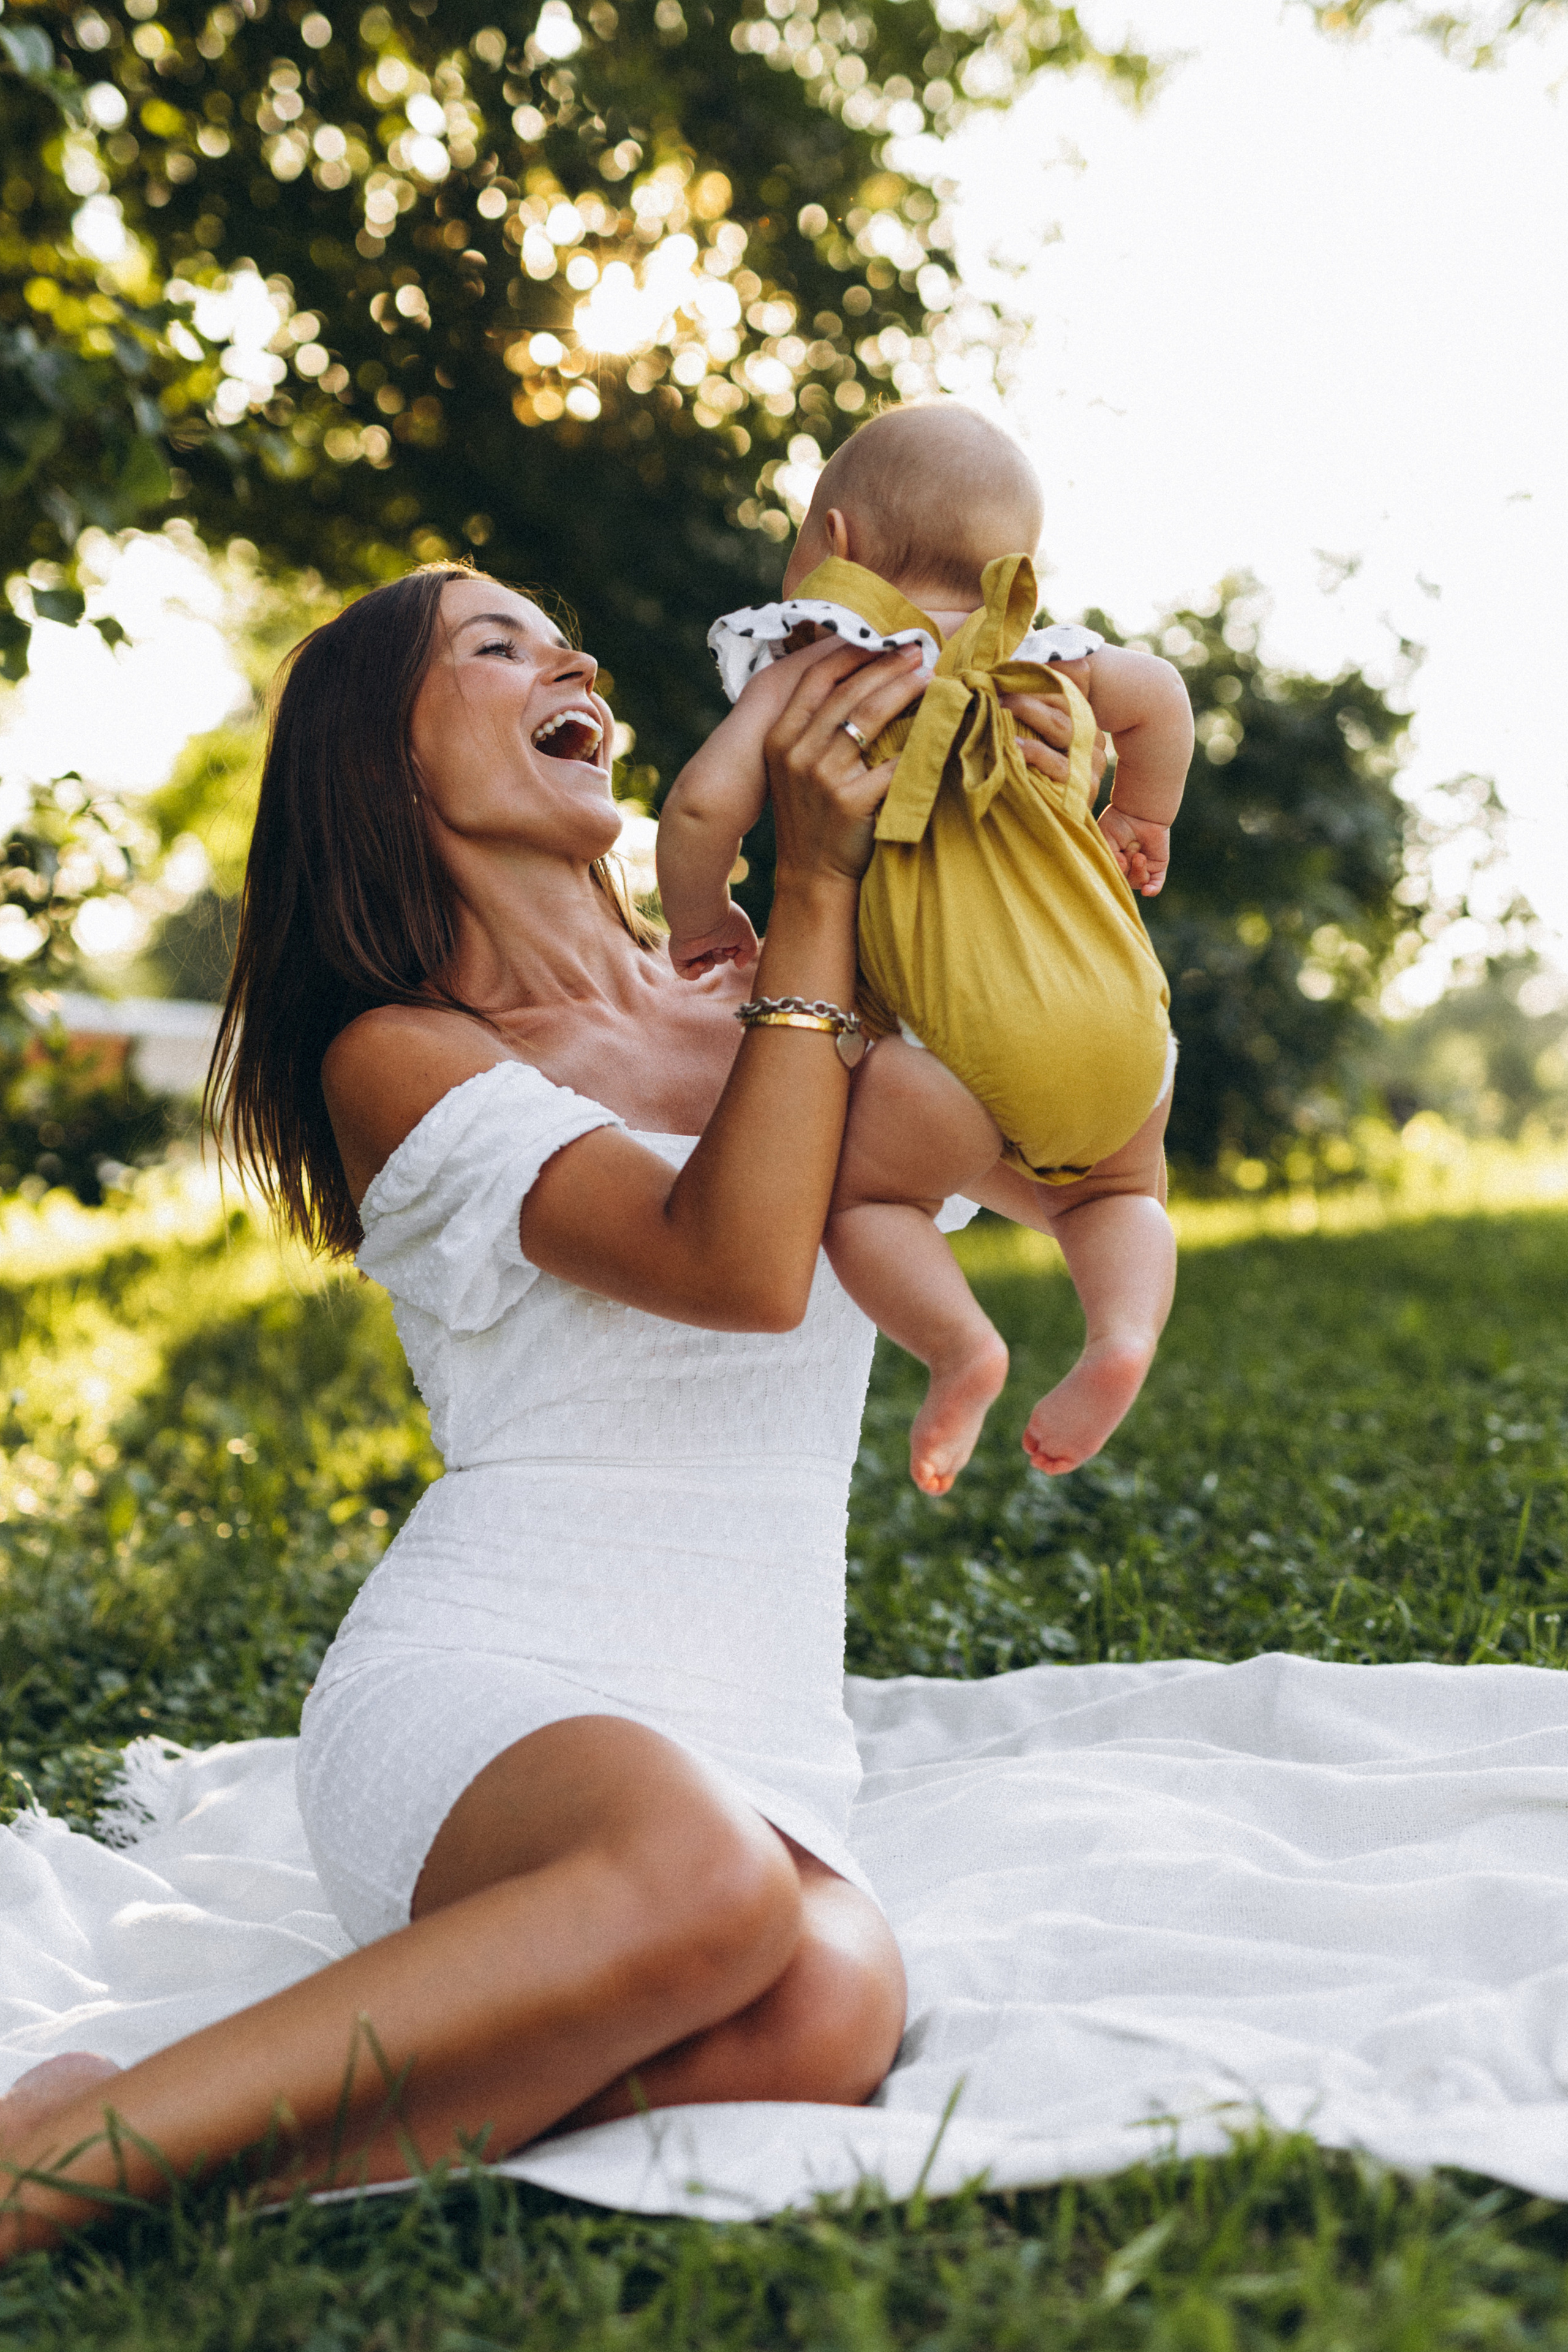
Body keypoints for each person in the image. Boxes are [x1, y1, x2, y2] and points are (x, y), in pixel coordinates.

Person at [0, 560, 1095, 2261]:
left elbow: (1076, 1151)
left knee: (813, 2029)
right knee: (709, 1888)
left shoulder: (793, 995)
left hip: (759, 1720)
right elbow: (736, 1262)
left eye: (562, 636)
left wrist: (1019, 833)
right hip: (488, 1693)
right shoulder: (408, 1053)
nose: (566, 653)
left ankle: (111, 2127)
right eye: (493, 648)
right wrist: (806, 889)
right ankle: (31, 2192)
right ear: (387, 765)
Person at [657, 403, 1194, 1497]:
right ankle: (1120, 1337)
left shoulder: (818, 672)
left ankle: (962, 1347)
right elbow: (1165, 700)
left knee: (863, 1200)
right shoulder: (1053, 668)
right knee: (1117, 1198)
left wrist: (704, 916)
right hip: (1123, 1025)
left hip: (955, 1054)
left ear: (836, 543)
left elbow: (702, 808)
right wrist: (1142, 816)